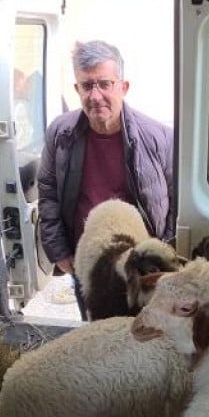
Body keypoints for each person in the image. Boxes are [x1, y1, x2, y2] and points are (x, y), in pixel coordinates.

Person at [36, 40, 175, 319]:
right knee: (96, 333)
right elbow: (47, 191)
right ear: (77, 90)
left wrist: (164, 255)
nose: (96, 95)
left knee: (143, 333)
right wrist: (59, 252)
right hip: (85, 262)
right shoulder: (60, 134)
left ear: (123, 87)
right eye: (87, 86)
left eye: (104, 83)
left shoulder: (158, 137)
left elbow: (176, 199)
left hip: (139, 265)